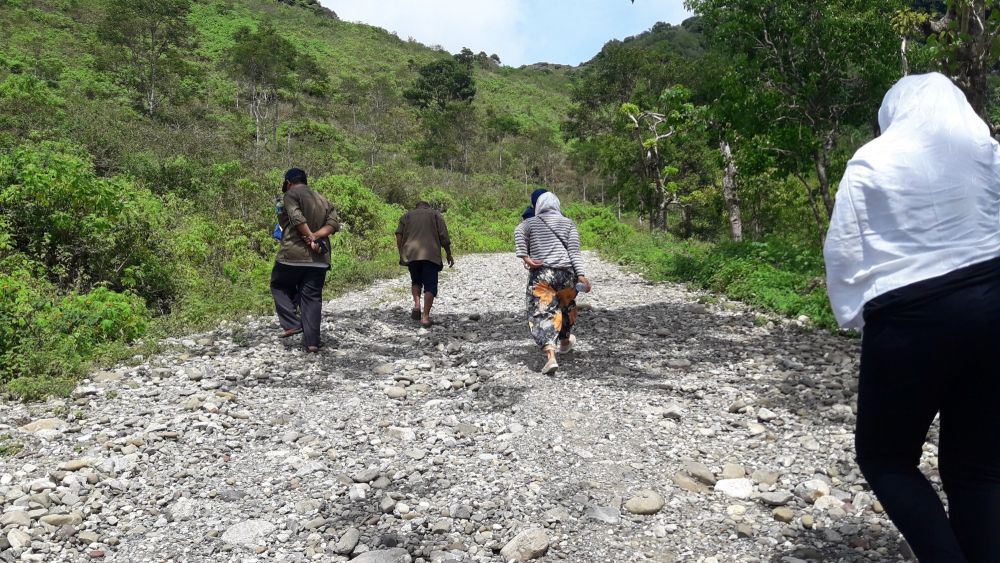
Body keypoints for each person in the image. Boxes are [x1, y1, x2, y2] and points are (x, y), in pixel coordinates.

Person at [825, 73, 1000, 563]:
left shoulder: (871, 161)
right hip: (993, 303)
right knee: (978, 470)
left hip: (909, 318)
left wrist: (860, 317)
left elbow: (843, 250)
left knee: (886, 457)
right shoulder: (988, 153)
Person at [514, 192, 591, 375]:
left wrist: (525, 256)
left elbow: (518, 231)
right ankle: (565, 342)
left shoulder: (530, 222)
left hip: (542, 274)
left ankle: (551, 356)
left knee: (542, 312)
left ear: (538, 206)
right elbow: (574, 253)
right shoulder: (568, 223)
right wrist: (581, 275)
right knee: (566, 307)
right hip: (566, 275)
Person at [271, 168, 340, 353]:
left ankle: (292, 323)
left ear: (288, 182)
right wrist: (316, 237)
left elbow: (296, 217)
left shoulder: (290, 195)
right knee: (311, 298)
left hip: (292, 255)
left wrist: (310, 237)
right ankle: (312, 343)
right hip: (319, 259)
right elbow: (333, 224)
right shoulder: (322, 198)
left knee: (279, 285)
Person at [395, 201, 454, 327]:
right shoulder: (435, 215)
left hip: (412, 254)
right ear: (428, 207)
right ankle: (425, 317)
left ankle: (417, 305)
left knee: (416, 281)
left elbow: (398, 235)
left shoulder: (406, 216)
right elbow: (444, 236)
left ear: (416, 207)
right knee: (430, 285)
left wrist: (401, 252)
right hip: (430, 254)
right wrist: (448, 254)